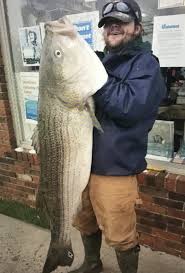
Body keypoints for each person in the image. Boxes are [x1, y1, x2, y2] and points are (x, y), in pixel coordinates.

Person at [70, 1, 166, 273]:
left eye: (121, 22)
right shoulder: (100, 61)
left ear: (136, 28)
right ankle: (91, 263)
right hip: (82, 163)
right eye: (108, 23)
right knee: (84, 219)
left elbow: (127, 107)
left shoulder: (146, 64)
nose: (113, 27)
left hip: (115, 168)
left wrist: (92, 74)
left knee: (119, 232)